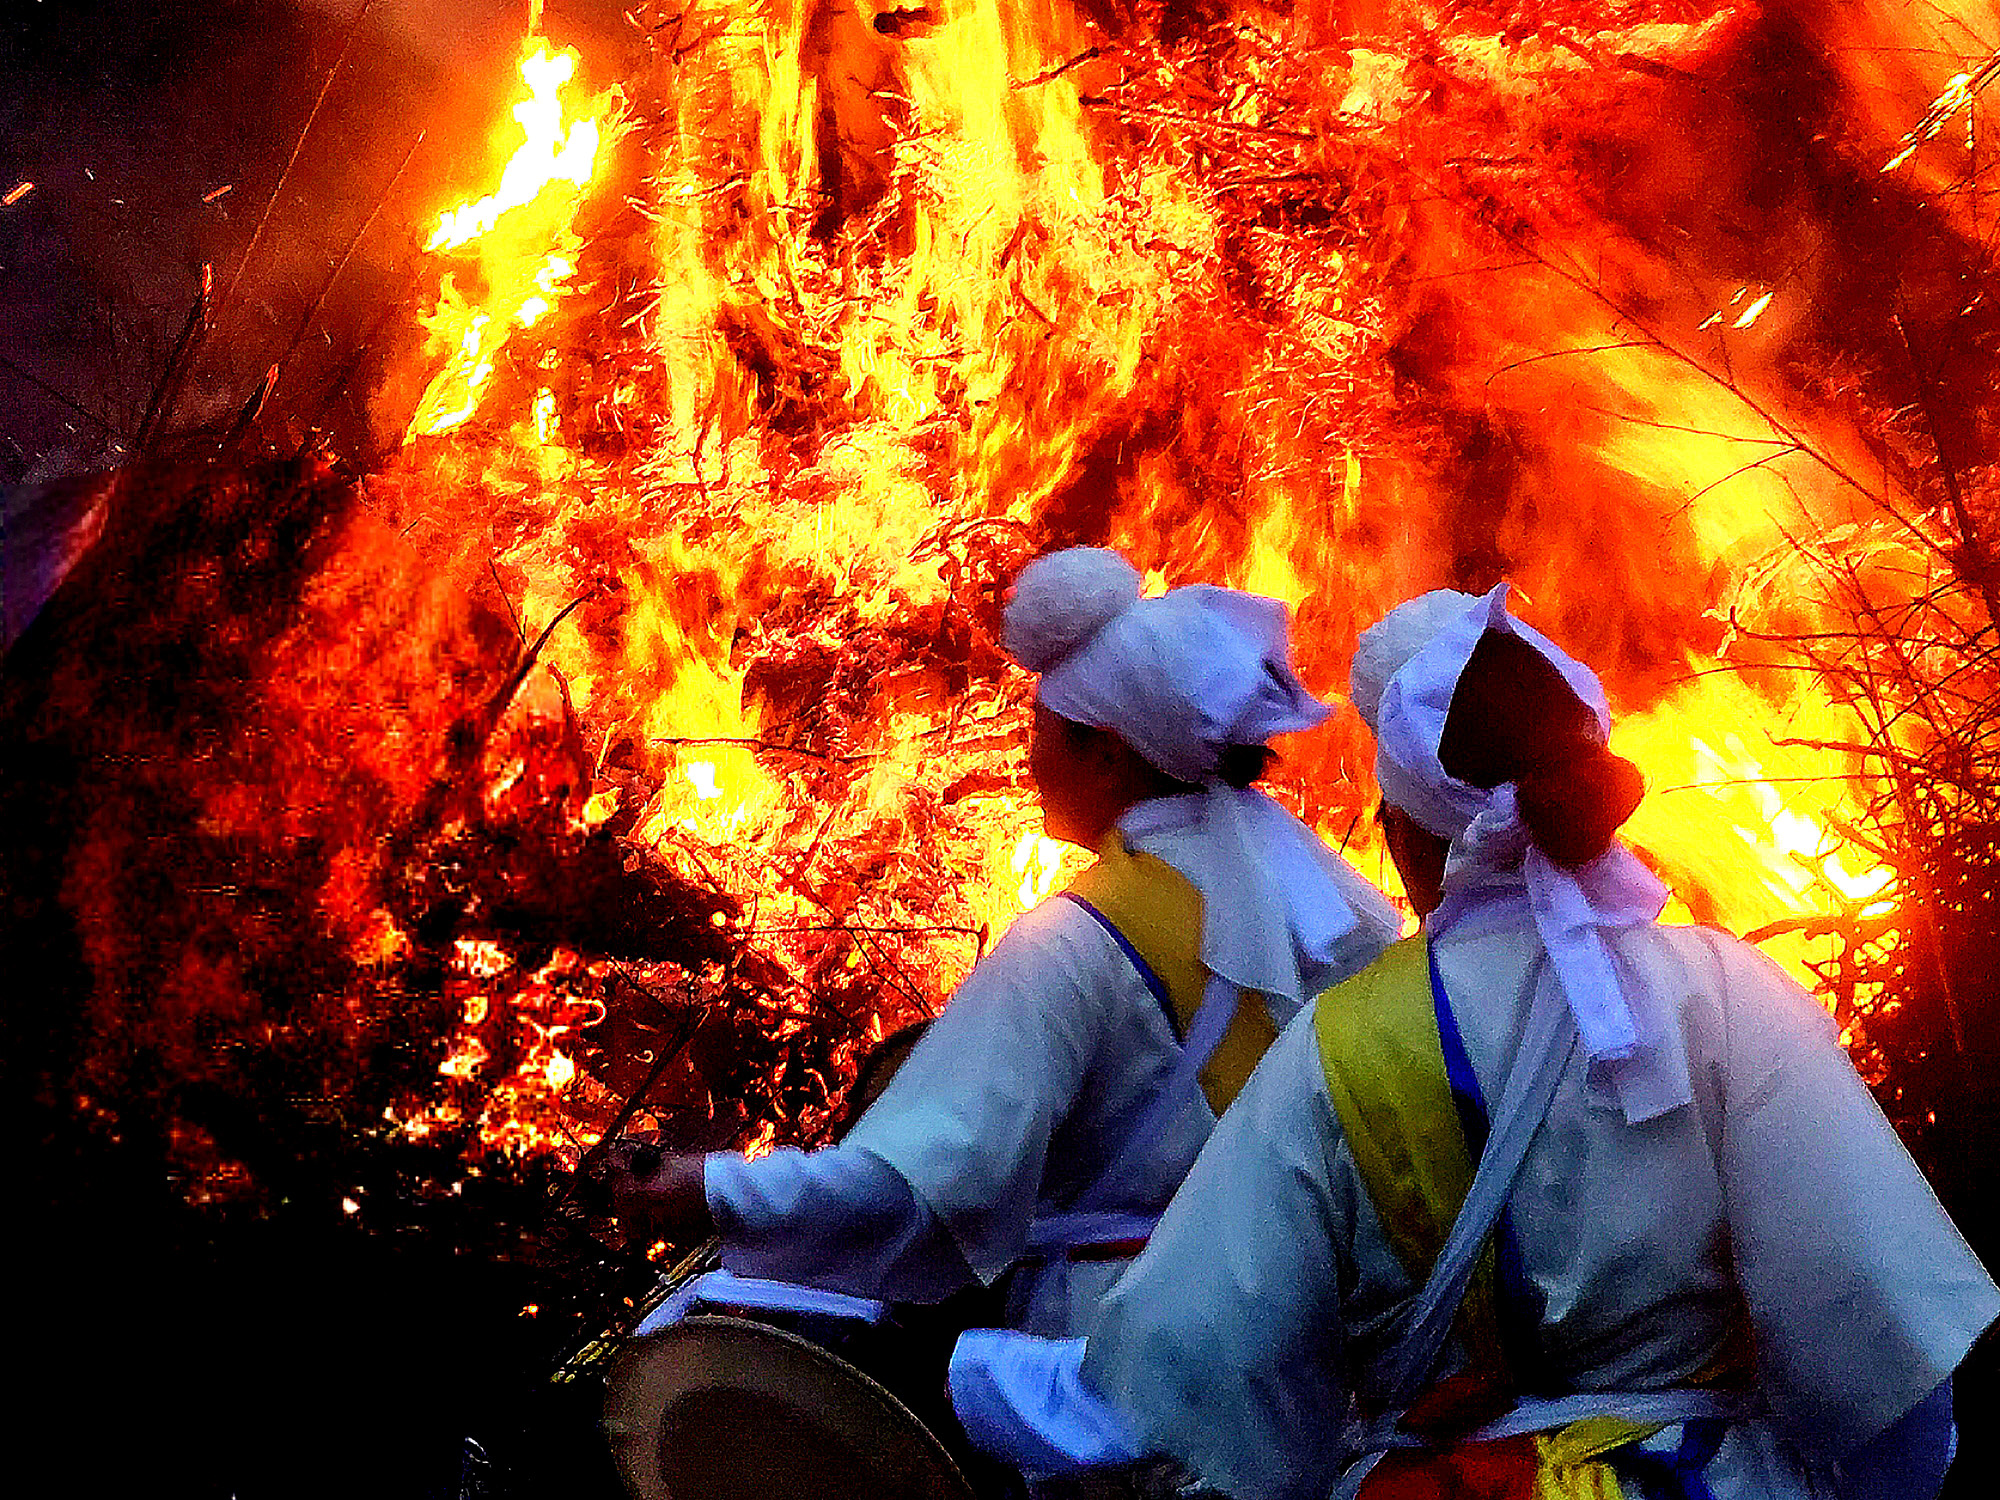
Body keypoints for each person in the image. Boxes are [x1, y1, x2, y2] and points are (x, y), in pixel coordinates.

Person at [949, 583, 2000, 1498]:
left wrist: (953, 1375)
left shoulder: (1334, 1047)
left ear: (1402, 831)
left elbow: (1171, 1379)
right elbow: (1885, 1350)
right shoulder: (1725, 994)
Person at [610, 547, 1401, 1336]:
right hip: (1299, 1341)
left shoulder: (1072, 943)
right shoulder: (1327, 896)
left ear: (1104, 750)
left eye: (1039, 727)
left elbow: (912, 1187)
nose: (1028, 761)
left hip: (1127, 1350)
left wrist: (707, 1190)